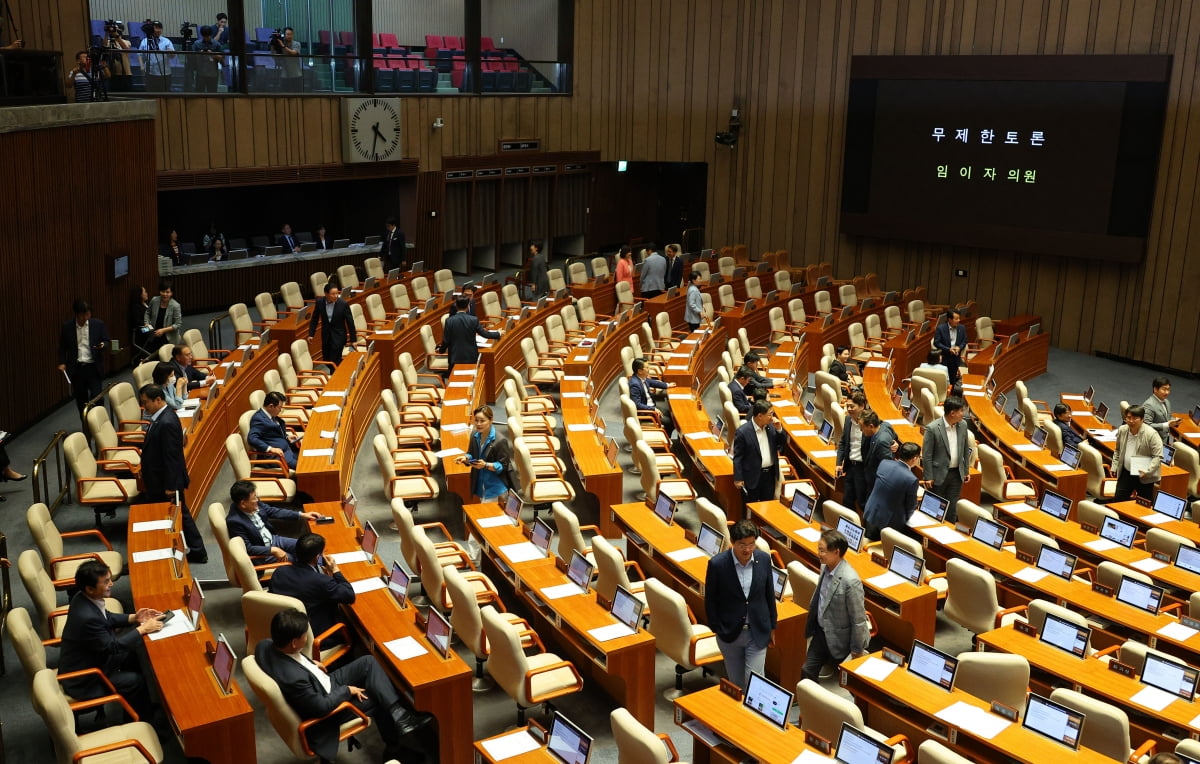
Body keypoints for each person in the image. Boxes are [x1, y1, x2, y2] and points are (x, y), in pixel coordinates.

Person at [255, 608, 435, 763]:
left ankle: (398, 714)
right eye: (304, 636)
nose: (307, 637)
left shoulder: (264, 646)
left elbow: (290, 662)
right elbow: (320, 707)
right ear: (294, 643)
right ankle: (394, 749)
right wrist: (347, 690)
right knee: (377, 694)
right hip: (327, 710)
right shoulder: (295, 679)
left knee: (368, 662)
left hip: (321, 681)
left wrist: (310, 663)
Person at [59, 561, 164, 719]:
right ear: (90, 588)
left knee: (134, 651)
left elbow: (107, 616)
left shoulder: (82, 597)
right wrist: (142, 629)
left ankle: (142, 705)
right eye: (106, 581)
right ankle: (143, 721)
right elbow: (112, 646)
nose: (111, 584)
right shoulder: (87, 617)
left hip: (94, 659)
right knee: (135, 681)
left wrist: (134, 618)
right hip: (86, 679)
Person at [138, 384, 208, 561]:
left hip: (165, 482)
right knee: (178, 515)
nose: (143, 406)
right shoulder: (163, 417)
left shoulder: (167, 421)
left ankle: (198, 551)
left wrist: (171, 486)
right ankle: (193, 549)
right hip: (160, 479)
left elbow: (172, 458)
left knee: (180, 515)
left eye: (145, 402)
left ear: (158, 400)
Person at [703, 520, 776, 689]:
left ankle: (756, 715)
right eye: (742, 545)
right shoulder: (718, 564)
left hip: (757, 631)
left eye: (751, 544)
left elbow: (769, 594)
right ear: (732, 542)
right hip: (730, 634)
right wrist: (717, 628)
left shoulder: (763, 559)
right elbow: (711, 600)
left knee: (755, 683)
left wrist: (772, 626)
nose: (747, 549)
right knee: (736, 685)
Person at [803, 529, 870, 681]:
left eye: (822, 551)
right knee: (807, 670)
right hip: (821, 632)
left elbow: (858, 619)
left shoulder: (850, 581)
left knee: (852, 681)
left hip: (841, 637)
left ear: (836, 552)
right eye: (819, 549)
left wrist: (857, 650)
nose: (819, 554)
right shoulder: (824, 567)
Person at [268, 533, 355, 642]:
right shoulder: (322, 582)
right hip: (313, 635)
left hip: (283, 626)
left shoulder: (279, 572)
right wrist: (335, 570)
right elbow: (349, 595)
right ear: (318, 557)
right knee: (353, 633)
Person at [225, 480, 320, 565]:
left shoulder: (253, 503)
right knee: (295, 560)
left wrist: (302, 515)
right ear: (243, 504)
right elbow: (248, 548)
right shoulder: (234, 521)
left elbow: (274, 511)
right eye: (254, 498)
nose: (257, 500)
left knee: (307, 547)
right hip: (263, 553)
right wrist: (272, 550)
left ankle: (328, 566)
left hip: (273, 539)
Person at [57, 299, 109, 422]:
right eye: (84, 314)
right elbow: (62, 347)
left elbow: (107, 340)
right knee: (81, 400)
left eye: (88, 313)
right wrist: (62, 362)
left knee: (98, 397)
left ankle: (99, 423)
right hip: (77, 368)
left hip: (93, 367)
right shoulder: (67, 327)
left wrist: (103, 345)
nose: (87, 317)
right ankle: (86, 427)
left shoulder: (98, 324)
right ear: (77, 314)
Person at [921, 395, 971, 523]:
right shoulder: (933, 428)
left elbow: (965, 449)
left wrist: (966, 471)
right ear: (952, 413)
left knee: (952, 508)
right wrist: (928, 476)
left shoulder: (963, 425)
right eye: (961, 411)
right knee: (935, 508)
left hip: (956, 474)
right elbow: (927, 455)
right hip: (938, 475)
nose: (963, 414)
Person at [862, 442, 921, 541]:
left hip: (870, 513)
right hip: (888, 524)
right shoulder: (911, 479)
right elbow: (910, 506)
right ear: (915, 459)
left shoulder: (884, 463)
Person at [733, 400, 785, 505]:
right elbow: (738, 457)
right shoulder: (743, 432)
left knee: (767, 506)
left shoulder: (771, 427)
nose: (772, 417)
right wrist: (738, 478)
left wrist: (779, 429)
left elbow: (781, 444)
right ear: (760, 416)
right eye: (770, 414)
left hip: (769, 475)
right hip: (752, 476)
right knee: (750, 507)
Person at [1111, 404, 1163, 502]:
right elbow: (1117, 450)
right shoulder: (1123, 430)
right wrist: (1114, 466)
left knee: (1145, 503)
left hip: (1143, 475)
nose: (1131, 421)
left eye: (1135, 418)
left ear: (1142, 419)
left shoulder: (1151, 434)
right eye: (1129, 418)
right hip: (1126, 473)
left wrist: (1148, 471)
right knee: (1118, 501)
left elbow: (1158, 456)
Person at [464, 405, 512, 502]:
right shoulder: (474, 435)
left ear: (491, 420)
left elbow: (503, 466)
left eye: (482, 421)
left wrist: (485, 465)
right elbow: (471, 453)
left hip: (496, 488)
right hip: (481, 485)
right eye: (476, 420)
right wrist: (465, 458)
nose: (478, 424)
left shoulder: (500, 440)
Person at [442, 296, 500, 371]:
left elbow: (446, 340)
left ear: (456, 306)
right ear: (468, 306)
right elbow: (485, 334)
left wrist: (441, 350)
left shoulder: (449, 321)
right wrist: (498, 333)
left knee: (455, 379)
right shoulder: (473, 320)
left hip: (455, 357)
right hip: (470, 356)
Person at [834, 392, 870, 512]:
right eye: (847, 406)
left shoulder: (870, 422)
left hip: (863, 468)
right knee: (847, 501)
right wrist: (839, 463)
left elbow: (886, 431)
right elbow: (843, 442)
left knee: (863, 503)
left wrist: (893, 442)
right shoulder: (848, 419)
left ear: (862, 406)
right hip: (850, 467)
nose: (849, 409)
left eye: (852, 406)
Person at [250, 391, 303, 470]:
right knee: (303, 466)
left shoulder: (270, 414)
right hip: (277, 456)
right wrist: (270, 449)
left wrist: (287, 436)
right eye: (279, 407)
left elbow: (273, 432)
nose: (280, 410)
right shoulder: (258, 419)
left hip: (288, 449)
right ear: (271, 406)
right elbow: (252, 438)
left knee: (305, 456)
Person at [309, 283, 356, 367]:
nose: (335, 296)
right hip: (326, 335)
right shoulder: (320, 302)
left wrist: (353, 340)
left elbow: (350, 322)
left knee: (334, 360)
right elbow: (314, 319)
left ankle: (334, 377)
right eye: (333, 294)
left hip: (339, 335)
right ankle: (340, 371)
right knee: (326, 359)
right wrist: (311, 334)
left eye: (337, 293)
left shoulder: (343, 304)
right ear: (326, 294)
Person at [629, 358, 675, 433]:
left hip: (651, 406)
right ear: (640, 371)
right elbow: (637, 404)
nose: (649, 369)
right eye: (647, 367)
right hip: (646, 412)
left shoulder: (641, 377)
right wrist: (652, 409)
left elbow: (653, 382)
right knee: (670, 422)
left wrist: (667, 385)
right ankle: (667, 439)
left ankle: (667, 435)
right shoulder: (634, 384)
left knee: (671, 414)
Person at [859, 411, 898, 496]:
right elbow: (894, 436)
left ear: (871, 426)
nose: (860, 430)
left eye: (862, 427)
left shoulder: (881, 441)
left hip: (876, 483)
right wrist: (893, 443)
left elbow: (887, 467)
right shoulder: (885, 425)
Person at [144, 279, 183, 354]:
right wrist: (146, 323)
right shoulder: (154, 300)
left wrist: (163, 330)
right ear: (160, 291)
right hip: (154, 334)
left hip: (168, 337)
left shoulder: (175, 306)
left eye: (167, 292)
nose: (165, 294)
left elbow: (178, 324)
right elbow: (147, 313)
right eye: (163, 291)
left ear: (171, 293)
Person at [138, 21, 176, 92]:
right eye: (156, 28)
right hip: (150, 72)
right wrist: (141, 66)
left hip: (165, 73)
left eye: (160, 28)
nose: (158, 30)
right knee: (151, 93)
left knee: (164, 93)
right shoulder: (144, 41)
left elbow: (172, 56)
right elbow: (139, 54)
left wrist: (170, 52)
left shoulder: (166, 41)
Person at [934, 309, 968, 384]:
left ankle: (951, 391)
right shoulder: (941, 328)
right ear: (949, 319)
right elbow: (936, 343)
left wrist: (959, 347)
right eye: (956, 319)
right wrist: (948, 349)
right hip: (945, 357)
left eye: (959, 318)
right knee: (943, 379)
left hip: (956, 357)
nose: (958, 320)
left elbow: (964, 341)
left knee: (952, 379)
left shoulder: (962, 328)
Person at [186, 25, 224, 92]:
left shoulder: (216, 44)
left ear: (211, 34)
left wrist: (213, 54)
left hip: (213, 73)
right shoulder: (197, 44)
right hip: (200, 73)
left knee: (212, 93)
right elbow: (191, 58)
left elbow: (222, 58)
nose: (206, 38)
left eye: (208, 36)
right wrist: (200, 53)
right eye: (205, 36)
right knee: (199, 93)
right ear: (202, 35)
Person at [101, 20, 132, 92]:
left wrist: (116, 35)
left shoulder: (126, 41)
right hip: (113, 74)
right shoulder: (108, 41)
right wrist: (107, 33)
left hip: (125, 73)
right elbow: (104, 46)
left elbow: (126, 48)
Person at [1142, 376, 1176, 441]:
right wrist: (1166, 425)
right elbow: (1146, 426)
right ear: (1155, 389)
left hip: (1165, 438)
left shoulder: (1167, 401)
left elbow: (1167, 417)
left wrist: (1175, 421)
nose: (1167, 392)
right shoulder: (1149, 405)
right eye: (1164, 389)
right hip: (1154, 441)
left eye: (1168, 389)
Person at [128, 285, 149, 363]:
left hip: (149, 326)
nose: (147, 294)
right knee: (157, 332)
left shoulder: (146, 303)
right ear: (140, 295)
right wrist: (146, 324)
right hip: (141, 330)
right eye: (145, 292)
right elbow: (137, 322)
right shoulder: (136, 307)